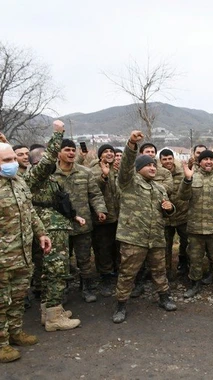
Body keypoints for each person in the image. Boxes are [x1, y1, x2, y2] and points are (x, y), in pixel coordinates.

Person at [112, 131, 177, 323]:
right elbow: (125, 167)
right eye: (148, 165)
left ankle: (164, 297)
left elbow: (166, 210)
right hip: (134, 238)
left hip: (155, 237)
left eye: (153, 165)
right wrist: (132, 143)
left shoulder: (159, 188)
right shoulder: (128, 183)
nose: (152, 168)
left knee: (159, 271)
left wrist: (170, 208)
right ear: (138, 168)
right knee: (127, 273)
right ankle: (120, 305)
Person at [26, 120, 82, 332]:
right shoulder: (35, 176)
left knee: (53, 270)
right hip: (49, 229)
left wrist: (74, 217)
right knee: (56, 270)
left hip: (56, 226)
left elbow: (60, 204)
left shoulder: (48, 181)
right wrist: (57, 134)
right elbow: (49, 160)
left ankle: (49, 311)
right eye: (43, 160)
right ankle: (54, 318)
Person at [0, 141, 51, 363]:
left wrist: (41, 233)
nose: (12, 163)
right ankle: (1, 345)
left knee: (19, 297)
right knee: (2, 301)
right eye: (6, 160)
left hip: (22, 254)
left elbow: (30, 212)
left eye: (13, 159)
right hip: (2, 258)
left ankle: (15, 332)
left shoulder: (19, 182)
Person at [53, 139, 108, 303]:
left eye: (73, 150)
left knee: (84, 259)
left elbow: (95, 194)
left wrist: (100, 210)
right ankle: (62, 290)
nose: (71, 153)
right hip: (59, 226)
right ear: (58, 153)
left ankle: (87, 288)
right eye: (67, 150)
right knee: (61, 260)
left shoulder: (85, 172)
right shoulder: (51, 174)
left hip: (82, 225)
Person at [180, 150, 213, 299]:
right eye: (205, 159)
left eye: (211, 159)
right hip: (196, 228)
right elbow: (183, 196)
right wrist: (187, 180)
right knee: (195, 258)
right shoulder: (192, 177)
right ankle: (195, 285)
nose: (209, 162)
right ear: (200, 162)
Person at [91, 144, 120, 297]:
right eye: (106, 151)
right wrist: (104, 176)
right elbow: (93, 191)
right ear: (100, 155)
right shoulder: (94, 169)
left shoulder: (117, 169)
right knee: (104, 248)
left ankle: (116, 272)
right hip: (103, 217)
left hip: (118, 216)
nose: (109, 153)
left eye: (111, 151)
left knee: (117, 246)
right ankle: (106, 277)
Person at [160, 149, 190, 279]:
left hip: (183, 216)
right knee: (165, 246)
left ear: (173, 159)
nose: (167, 161)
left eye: (169, 158)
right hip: (165, 218)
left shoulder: (182, 172)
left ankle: (185, 267)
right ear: (160, 161)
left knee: (187, 243)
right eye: (164, 159)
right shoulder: (156, 173)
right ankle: (166, 272)